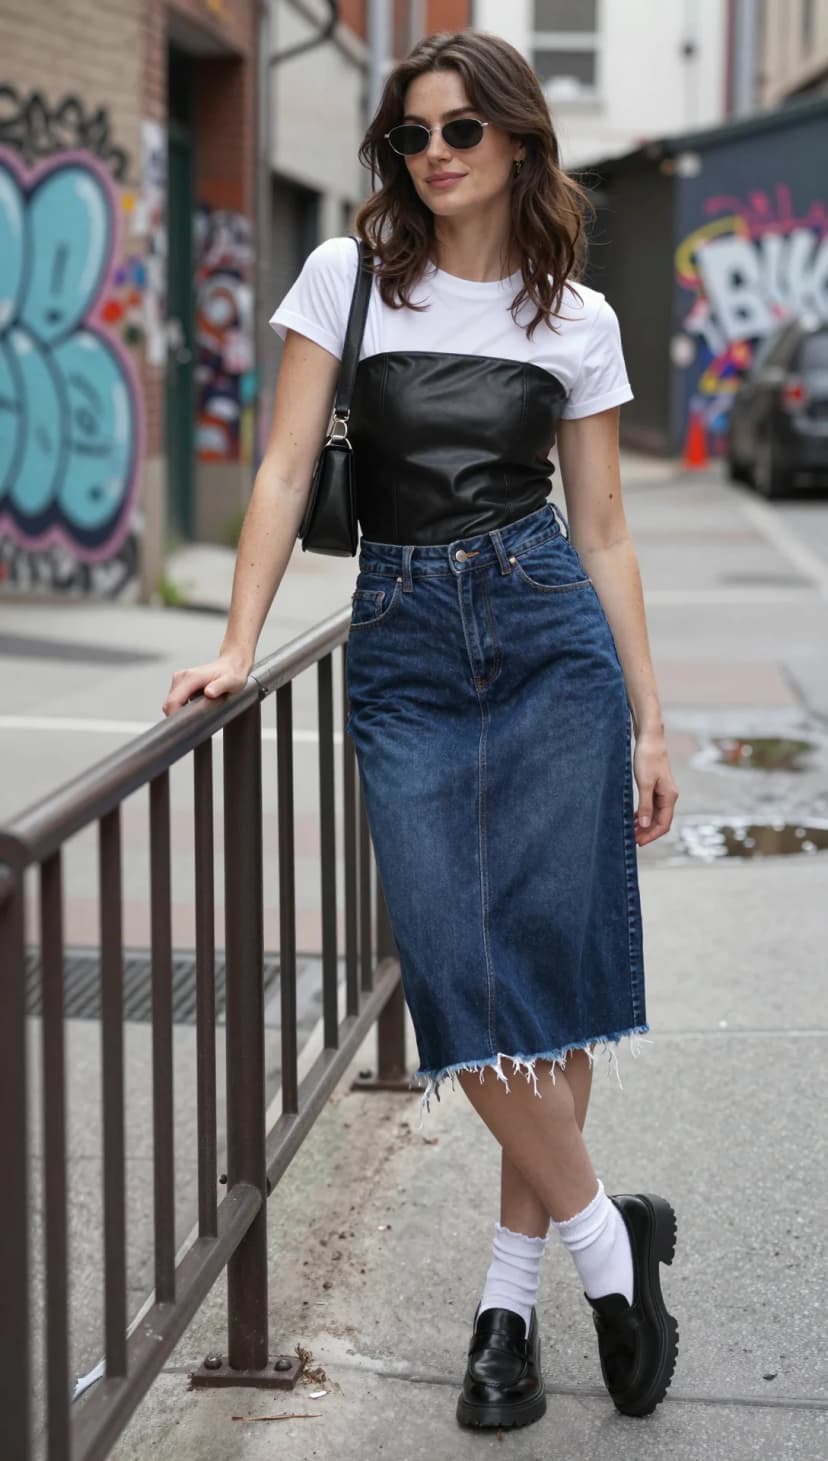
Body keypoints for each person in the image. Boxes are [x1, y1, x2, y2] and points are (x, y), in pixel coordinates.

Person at [163, 28, 680, 1436]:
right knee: (457, 972)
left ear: (517, 139)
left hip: (547, 633)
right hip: (402, 645)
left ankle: (505, 1312)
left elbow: (608, 527)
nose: (435, 156)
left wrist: (648, 718)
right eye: (413, 136)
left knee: (552, 975)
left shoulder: (574, 314)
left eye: (461, 131)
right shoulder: (348, 275)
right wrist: (235, 643)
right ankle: (611, 1256)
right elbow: (281, 467)